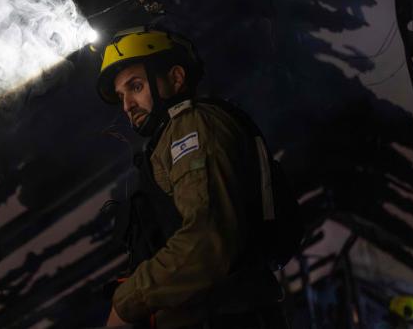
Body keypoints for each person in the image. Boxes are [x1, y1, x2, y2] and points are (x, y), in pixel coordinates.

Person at [96, 26, 288, 329]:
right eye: (121, 96)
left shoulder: (190, 126)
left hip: (224, 318)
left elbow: (206, 237)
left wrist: (127, 302)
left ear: (175, 78)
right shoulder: (170, 137)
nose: (127, 106)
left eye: (135, 86)